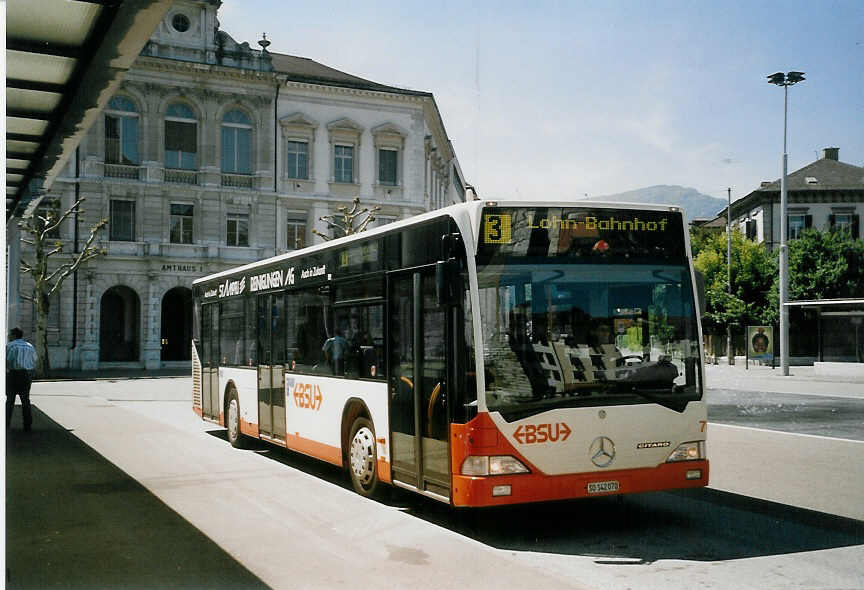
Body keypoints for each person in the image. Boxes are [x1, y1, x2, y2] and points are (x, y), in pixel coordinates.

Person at [7, 327, 37, 432]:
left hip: (13, 374)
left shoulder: (10, 346)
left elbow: (7, 360)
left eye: (9, 334)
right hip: (26, 375)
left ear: (14, 335)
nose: (8, 336)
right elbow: (34, 360)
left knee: (10, 400)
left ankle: (6, 424)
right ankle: (27, 425)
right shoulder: (30, 346)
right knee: (25, 400)